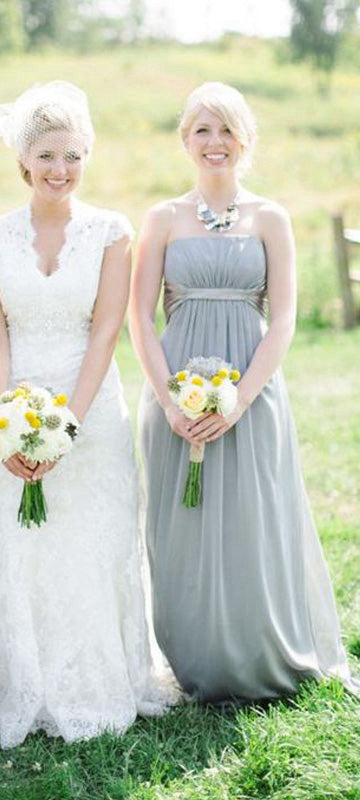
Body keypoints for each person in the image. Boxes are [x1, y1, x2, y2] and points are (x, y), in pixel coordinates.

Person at [0, 81, 179, 749]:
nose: (61, 170)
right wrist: (5, 426)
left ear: (89, 157)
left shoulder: (112, 232)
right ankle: (18, 676)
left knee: (92, 541)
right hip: (10, 398)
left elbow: (106, 331)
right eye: (47, 156)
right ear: (24, 160)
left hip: (90, 408)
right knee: (18, 546)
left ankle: (97, 680)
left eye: (74, 156)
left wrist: (66, 429)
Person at [130, 82, 357, 703]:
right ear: (185, 140)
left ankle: (258, 649)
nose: (214, 142)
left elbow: (283, 318)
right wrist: (170, 402)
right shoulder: (161, 219)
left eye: (226, 130)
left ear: (245, 139)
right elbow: (140, 318)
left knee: (255, 519)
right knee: (182, 524)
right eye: (202, 130)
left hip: (252, 392)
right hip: (175, 391)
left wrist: (241, 398)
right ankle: (195, 655)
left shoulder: (270, 218)